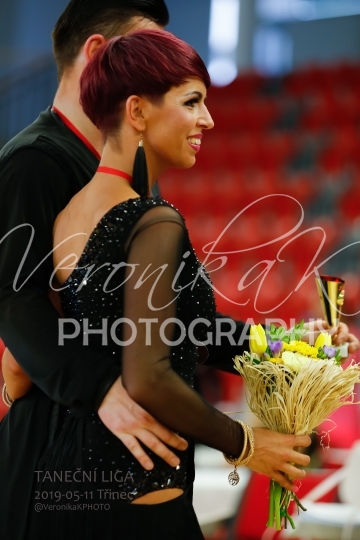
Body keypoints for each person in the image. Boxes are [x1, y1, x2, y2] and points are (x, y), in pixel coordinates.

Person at [0, 1, 357, 537]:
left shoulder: (129, 182)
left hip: (116, 459)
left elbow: (183, 328)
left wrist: (287, 349)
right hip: (75, 455)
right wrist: (102, 388)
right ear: (105, 61)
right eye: (149, 52)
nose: (208, 118)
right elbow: (20, 311)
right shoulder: (35, 162)